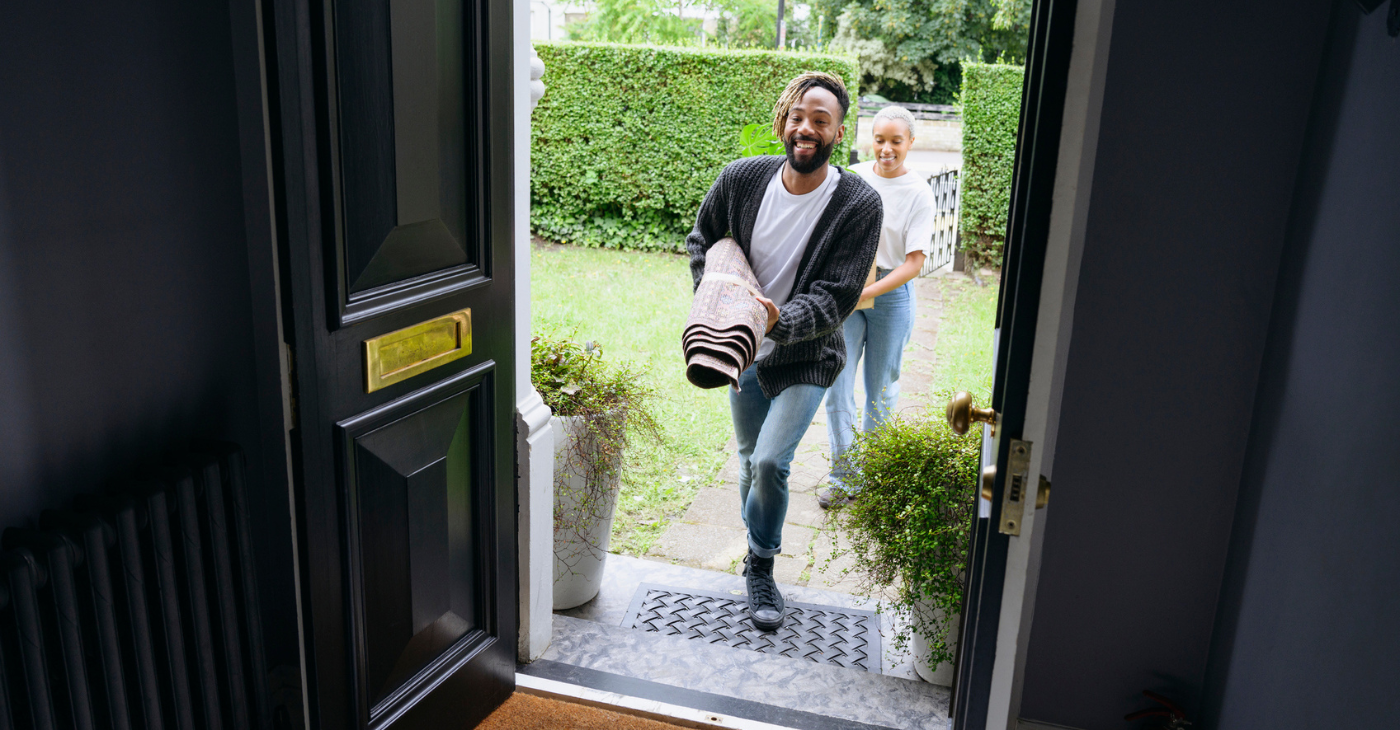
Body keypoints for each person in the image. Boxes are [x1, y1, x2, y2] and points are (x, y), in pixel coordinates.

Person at [685, 72, 881, 631]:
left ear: (839, 132)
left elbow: (840, 293)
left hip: (808, 353)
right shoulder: (741, 179)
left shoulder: (857, 204)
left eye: (820, 120)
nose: (806, 127)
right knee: (749, 460)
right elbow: (704, 242)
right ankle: (757, 547)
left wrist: (779, 319)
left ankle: (761, 566)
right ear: (784, 121)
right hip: (740, 348)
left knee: (772, 461)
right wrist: (725, 303)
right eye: (799, 116)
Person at [819, 105, 935, 509]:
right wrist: (847, 289)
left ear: (911, 143)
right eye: (880, 140)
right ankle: (844, 477)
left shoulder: (919, 192)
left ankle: (876, 475)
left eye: (896, 141)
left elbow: (914, 263)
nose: (886, 149)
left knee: (880, 392)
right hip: (850, 290)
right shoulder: (854, 178)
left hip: (891, 296)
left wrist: (869, 293)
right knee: (836, 387)